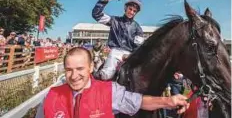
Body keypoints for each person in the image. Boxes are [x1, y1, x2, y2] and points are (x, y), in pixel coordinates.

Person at [35, 47, 189, 118]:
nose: (74, 76)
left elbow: (139, 101)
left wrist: (169, 101)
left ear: (90, 67)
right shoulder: (50, 97)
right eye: (69, 69)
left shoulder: (110, 91)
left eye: (80, 69)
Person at [92, 0, 144, 80]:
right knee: (106, 76)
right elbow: (96, 15)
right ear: (125, 8)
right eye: (130, 9)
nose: (131, 12)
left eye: (134, 11)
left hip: (130, 54)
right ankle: (92, 80)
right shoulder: (114, 20)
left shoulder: (138, 28)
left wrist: (131, 55)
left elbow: (139, 46)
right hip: (115, 52)